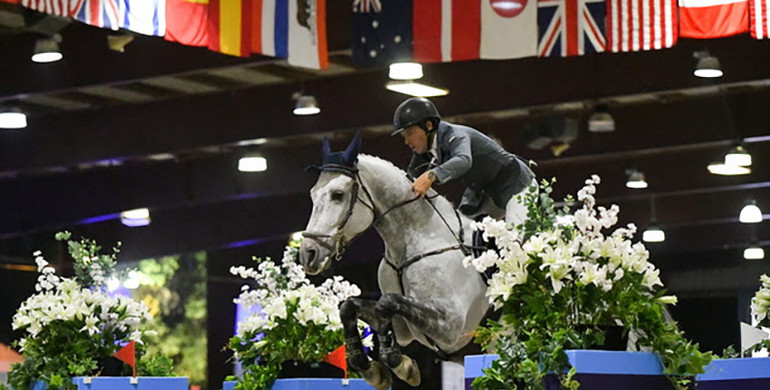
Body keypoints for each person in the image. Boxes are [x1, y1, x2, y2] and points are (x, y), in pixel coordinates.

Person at [392, 97, 536, 226]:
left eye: (410, 133)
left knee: (516, 236)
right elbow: (409, 178)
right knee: (461, 230)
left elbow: (463, 160)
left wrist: (431, 175)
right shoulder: (423, 151)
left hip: (515, 183)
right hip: (484, 193)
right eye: (403, 136)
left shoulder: (456, 134)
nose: (406, 141)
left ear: (428, 126)